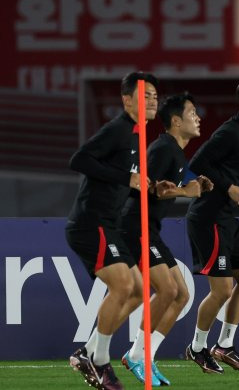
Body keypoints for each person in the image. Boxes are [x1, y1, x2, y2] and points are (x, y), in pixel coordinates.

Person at [66, 72, 159, 390]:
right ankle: (100, 361)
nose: (152, 101)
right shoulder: (118, 129)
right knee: (122, 287)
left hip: (110, 224)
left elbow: (124, 179)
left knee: (138, 291)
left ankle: (88, 352)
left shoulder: (138, 135)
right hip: (91, 224)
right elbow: (79, 159)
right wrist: (127, 179)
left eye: (154, 97)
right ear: (127, 99)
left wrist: (145, 186)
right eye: (145, 95)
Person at [120, 93, 213, 385]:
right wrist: (187, 191)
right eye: (192, 113)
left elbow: (168, 186)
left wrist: (196, 186)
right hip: (136, 226)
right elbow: (154, 189)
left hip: (151, 230)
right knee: (167, 290)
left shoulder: (175, 151)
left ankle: (146, 357)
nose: (198, 118)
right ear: (176, 121)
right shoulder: (163, 149)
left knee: (182, 294)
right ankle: (136, 355)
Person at [185, 77, 239, 374]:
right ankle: (197, 347)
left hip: (227, 219)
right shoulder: (230, 132)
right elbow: (198, 162)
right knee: (222, 290)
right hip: (208, 217)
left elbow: (237, 166)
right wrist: (228, 187)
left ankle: (223, 345)